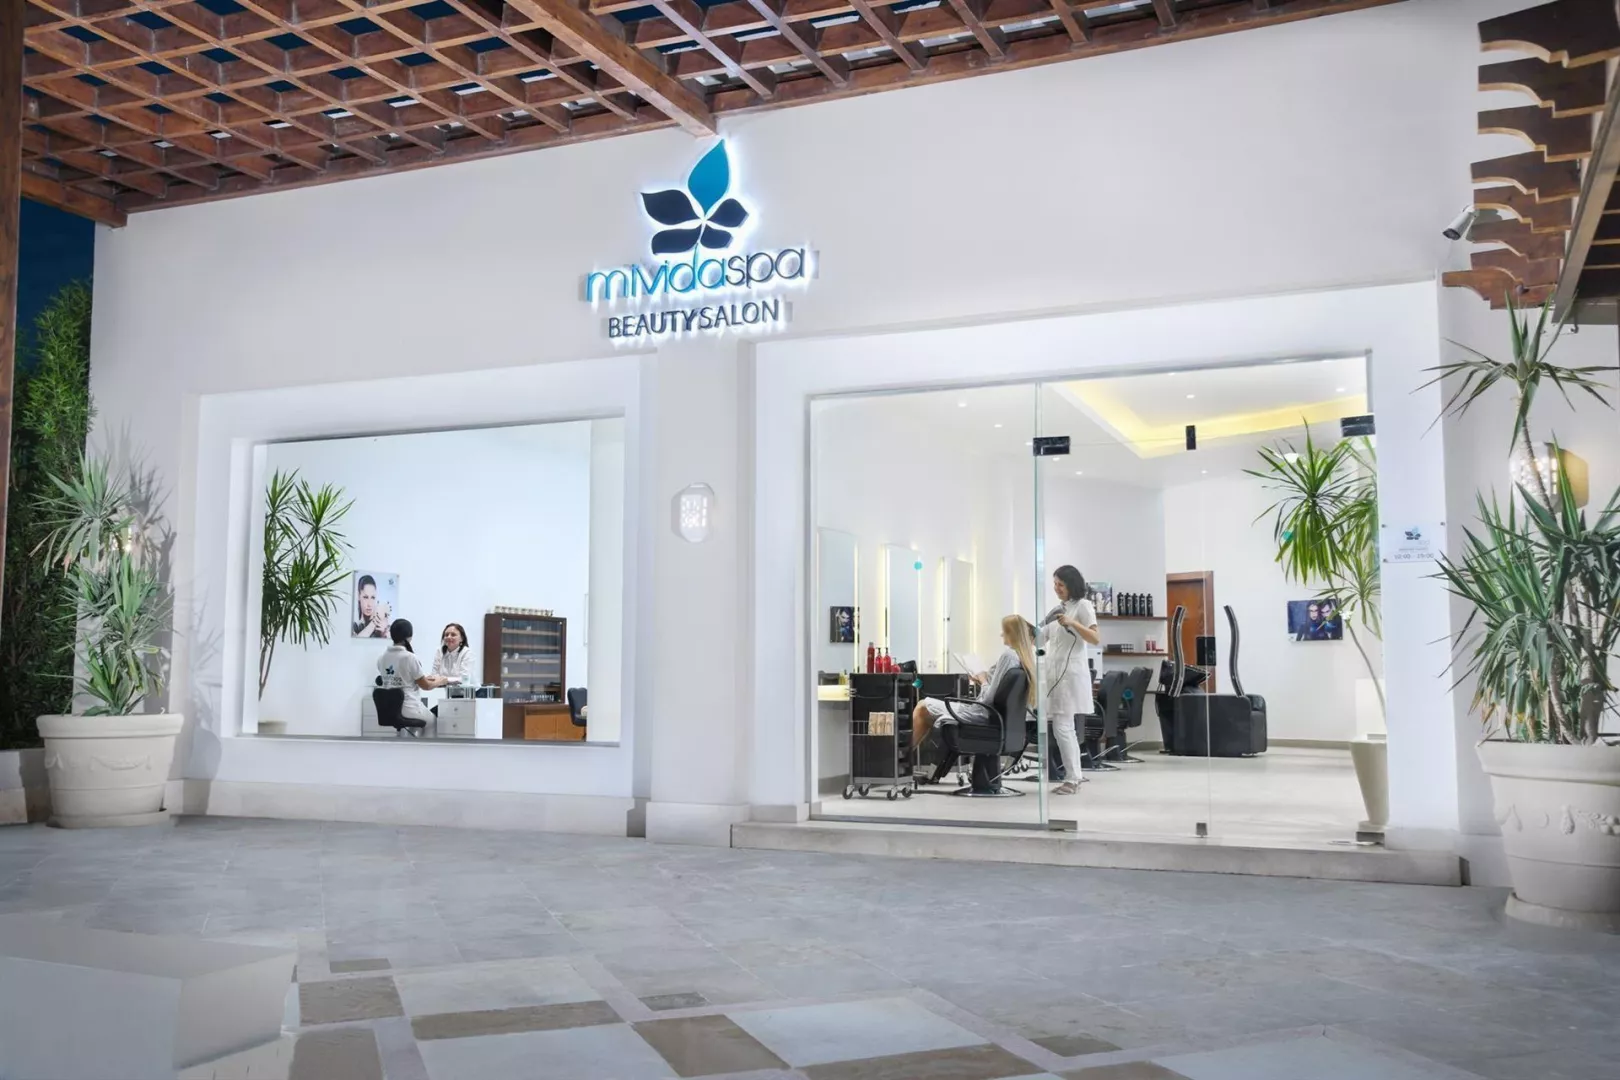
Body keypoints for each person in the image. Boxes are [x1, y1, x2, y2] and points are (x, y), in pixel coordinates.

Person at [912, 615, 1038, 788]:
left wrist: (983, 679)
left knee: (922, 706)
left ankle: (901, 764)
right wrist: (983, 681)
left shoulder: (1008, 656)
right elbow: (999, 694)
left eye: (1004, 631)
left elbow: (989, 698)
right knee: (926, 708)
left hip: (982, 714)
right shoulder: (1023, 658)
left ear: (1012, 633)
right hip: (996, 718)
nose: (1001, 635)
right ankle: (916, 767)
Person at [1037, 564, 1100, 796]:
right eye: (1054, 584)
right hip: (1055, 675)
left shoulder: (1083, 606)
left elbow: (1094, 638)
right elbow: (1038, 640)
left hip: (1070, 675)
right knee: (1064, 728)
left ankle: (1072, 779)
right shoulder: (1058, 610)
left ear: (1071, 585)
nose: (1056, 588)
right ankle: (1074, 776)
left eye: (1060, 584)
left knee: (1063, 727)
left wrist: (1073, 623)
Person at [376, 619, 446, 728]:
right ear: (410, 636)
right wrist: (441, 681)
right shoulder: (409, 657)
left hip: (390, 709)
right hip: (409, 708)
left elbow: (401, 678)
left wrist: (423, 678)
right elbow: (426, 686)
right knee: (433, 723)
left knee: (416, 729)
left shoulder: (382, 658)